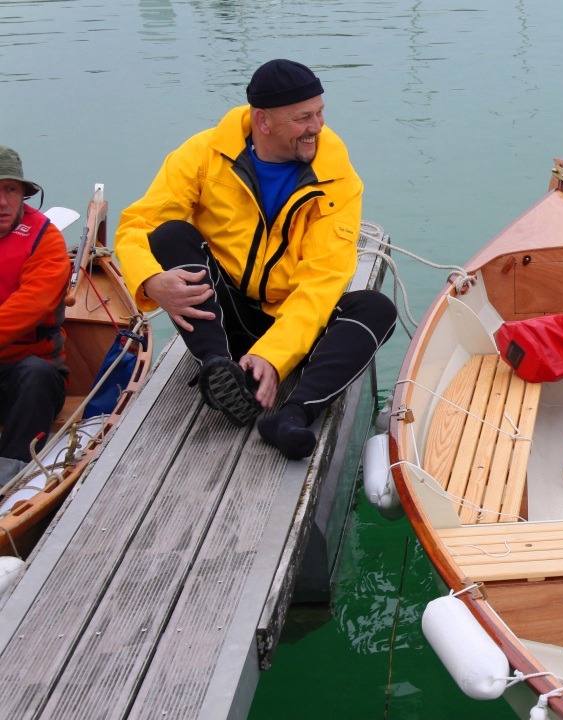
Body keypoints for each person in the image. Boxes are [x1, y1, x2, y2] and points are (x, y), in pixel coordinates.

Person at [114, 59, 396, 460]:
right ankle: (216, 365)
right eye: (303, 118)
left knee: (374, 309)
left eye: (320, 112)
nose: (317, 126)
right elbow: (136, 225)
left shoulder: (338, 180)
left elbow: (323, 281)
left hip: (293, 317)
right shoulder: (202, 154)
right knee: (170, 235)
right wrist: (149, 281)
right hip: (226, 316)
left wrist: (275, 357)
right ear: (263, 122)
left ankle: (292, 414)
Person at [0, 146, 71, 482]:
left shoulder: (46, 242)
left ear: (23, 195)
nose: (2, 202)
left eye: (10, 190)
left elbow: (31, 304)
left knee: (36, 375)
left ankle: (9, 475)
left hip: (25, 372)